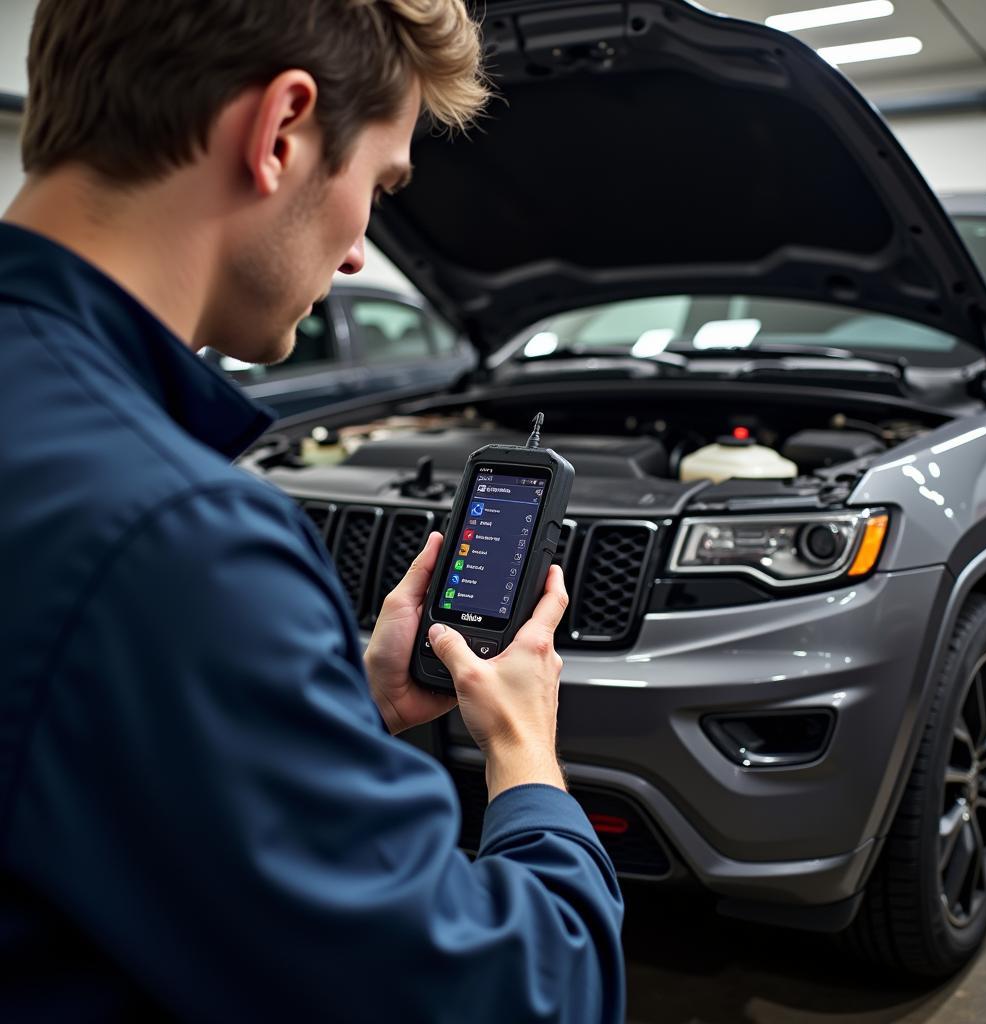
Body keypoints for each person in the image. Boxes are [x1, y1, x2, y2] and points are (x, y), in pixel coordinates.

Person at [0, 1, 625, 1021]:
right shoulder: (176, 543)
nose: (355, 256)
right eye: (380, 186)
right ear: (282, 131)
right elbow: (526, 995)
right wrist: (524, 753)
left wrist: (339, 710)